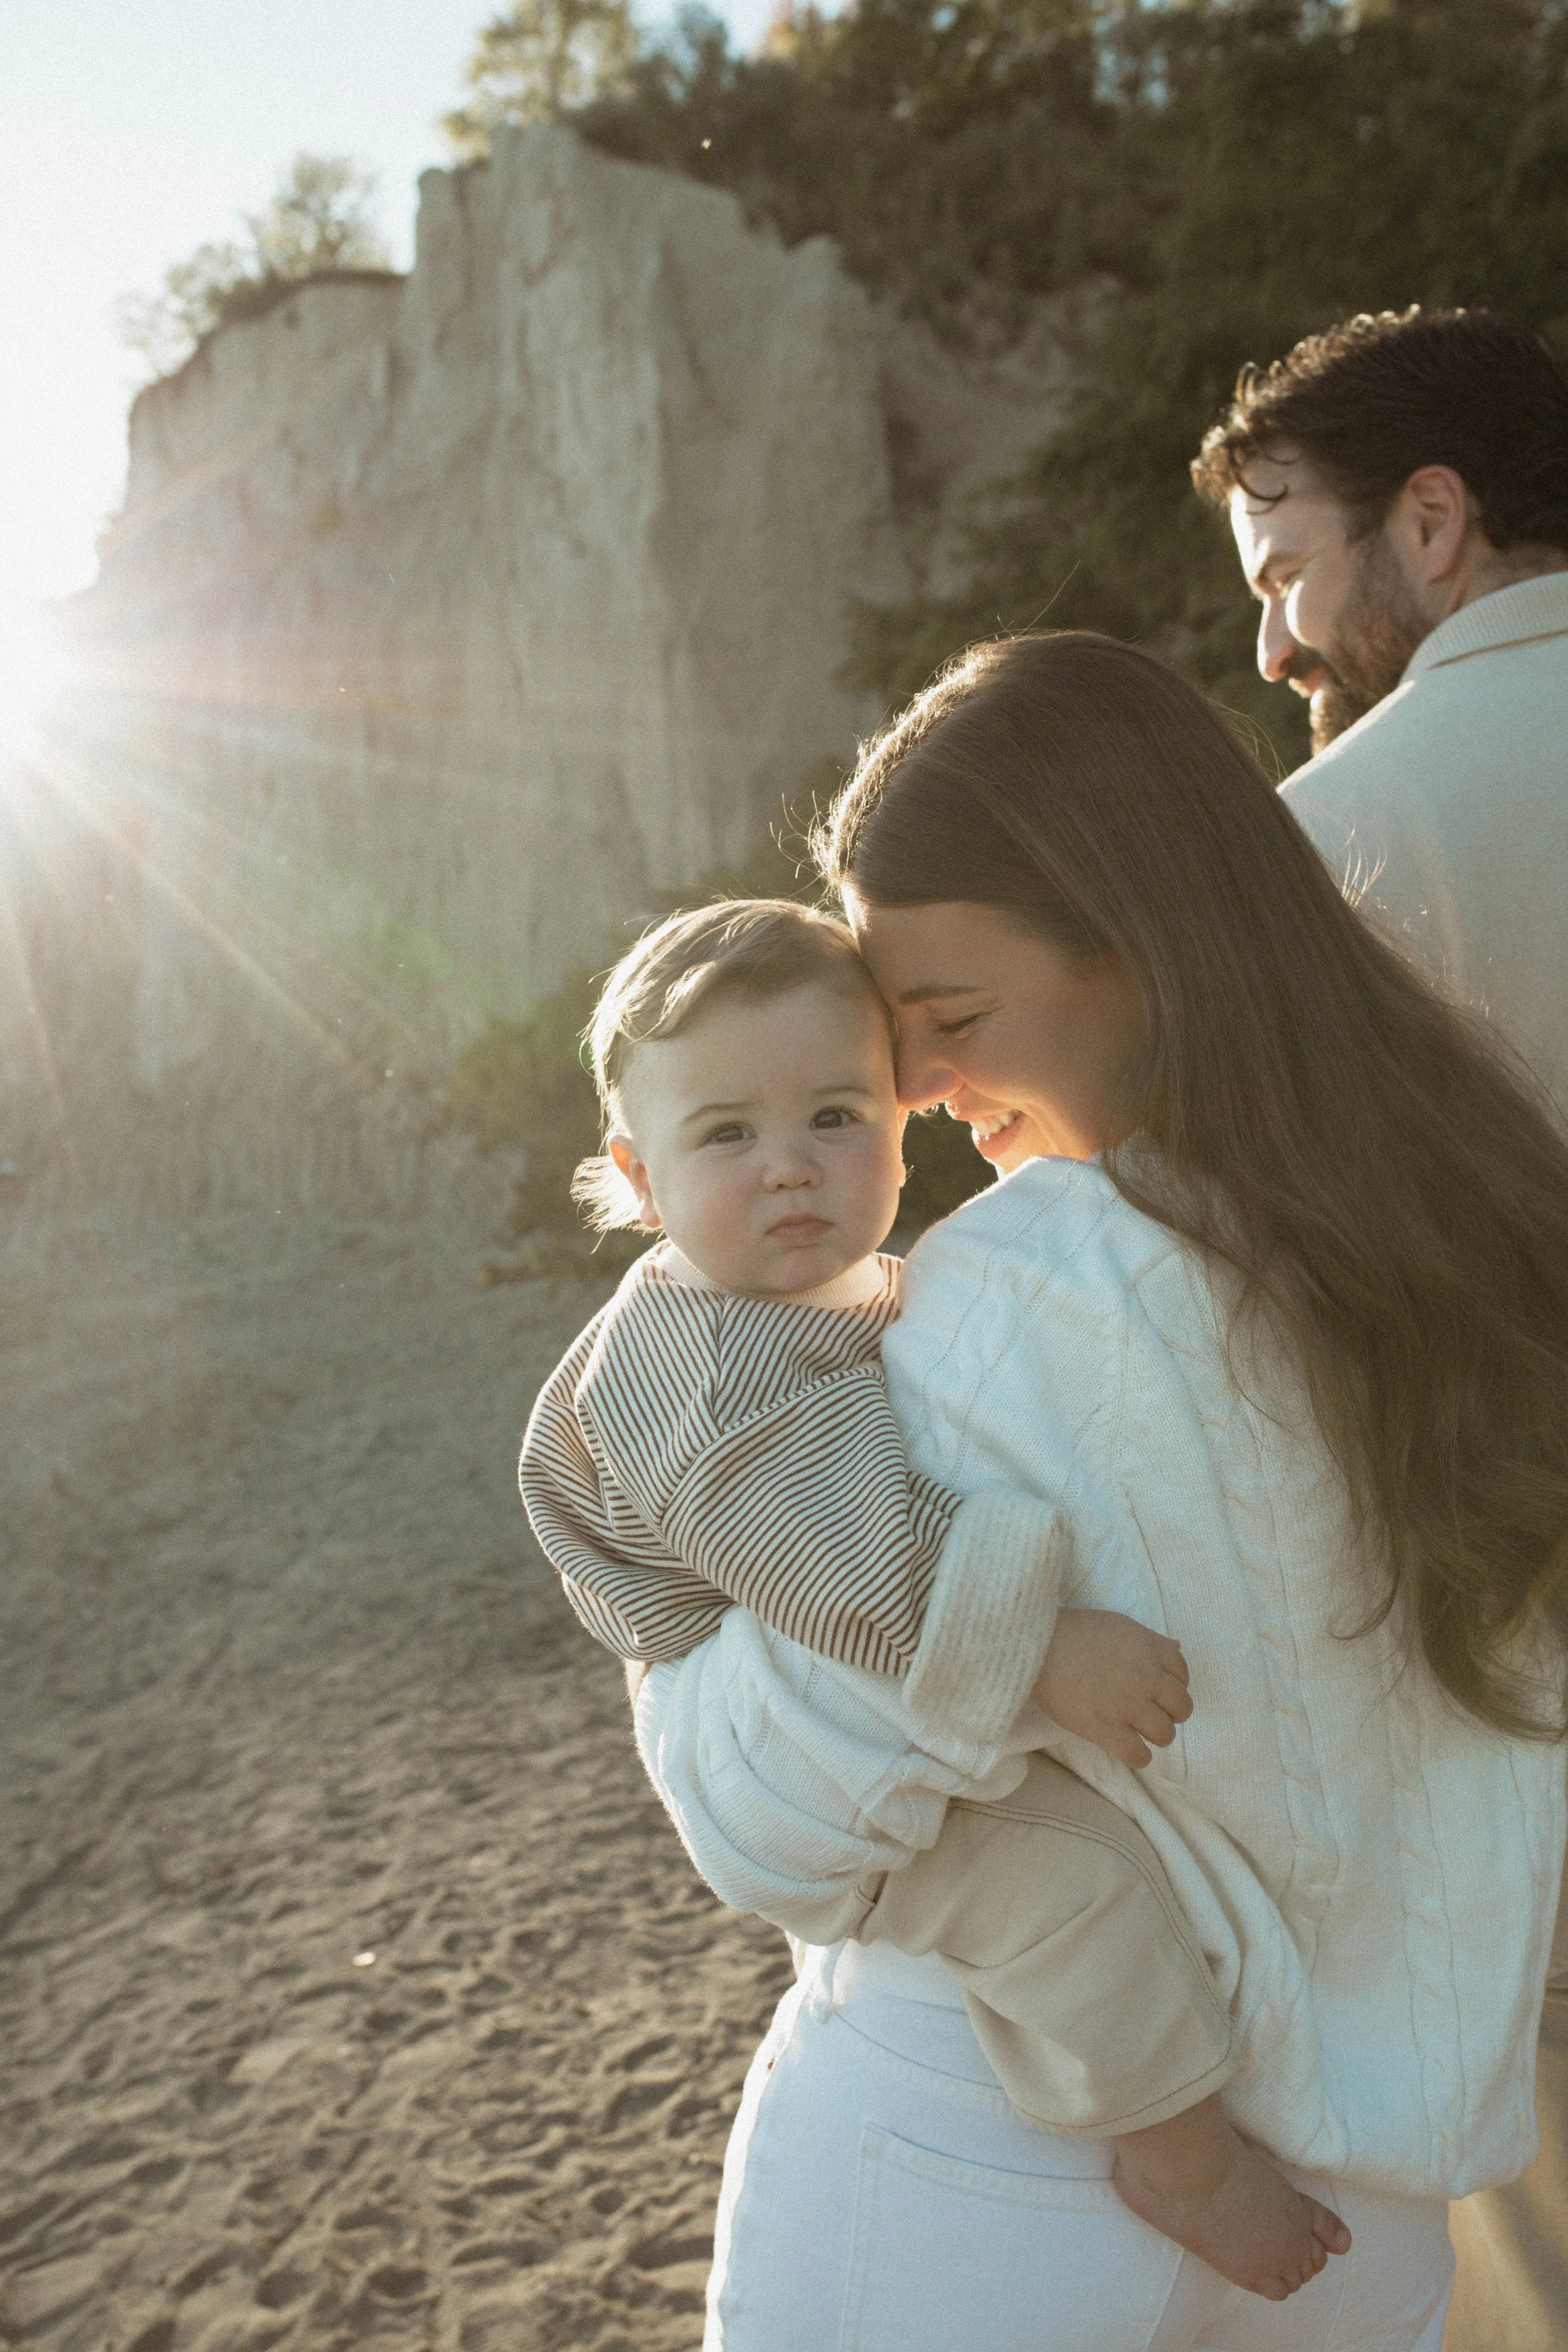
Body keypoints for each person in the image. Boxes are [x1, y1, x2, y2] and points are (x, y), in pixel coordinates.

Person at [627, 632, 1568, 2352]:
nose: (910, 1090)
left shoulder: (1022, 1291)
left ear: (1142, 945)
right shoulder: (1491, 1222)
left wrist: (676, 1657)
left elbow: (771, 1808)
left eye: (953, 1021)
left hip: (992, 2119)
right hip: (1370, 2194)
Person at [519, 896, 1343, 2297]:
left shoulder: (806, 1297)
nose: (789, 1169)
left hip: (801, 1696)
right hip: (757, 1744)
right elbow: (836, 1566)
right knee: (1071, 1894)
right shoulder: (702, 1370)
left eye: (834, 1116)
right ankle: (1180, 2162)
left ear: (904, 1119)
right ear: (637, 1175)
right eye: (725, 1135)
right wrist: (1041, 1651)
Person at [1190, 305, 1568, 2350]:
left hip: (1512, 1706)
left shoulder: (1321, 858)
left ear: (1431, 524)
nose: (1270, 652)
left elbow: (1224, 1347)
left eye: (1282, 577)